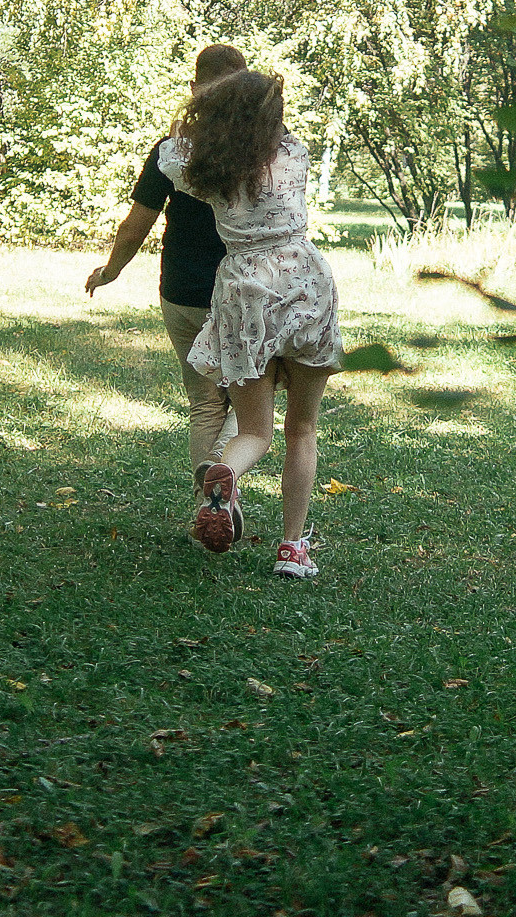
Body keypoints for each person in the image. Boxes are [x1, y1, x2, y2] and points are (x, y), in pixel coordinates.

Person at [156, 68, 341, 578]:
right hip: (302, 281)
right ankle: (292, 551)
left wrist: (201, 120)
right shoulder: (294, 156)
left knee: (255, 430)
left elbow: (169, 155)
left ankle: (225, 472)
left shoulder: (210, 172)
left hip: (243, 290)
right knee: (302, 429)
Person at [87, 44, 246, 543]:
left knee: (203, 402)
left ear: (195, 90)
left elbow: (138, 222)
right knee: (251, 398)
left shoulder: (172, 150)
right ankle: (227, 481)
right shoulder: (262, 150)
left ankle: (211, 501)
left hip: (181, 291)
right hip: (245, 292)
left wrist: (111, 270)